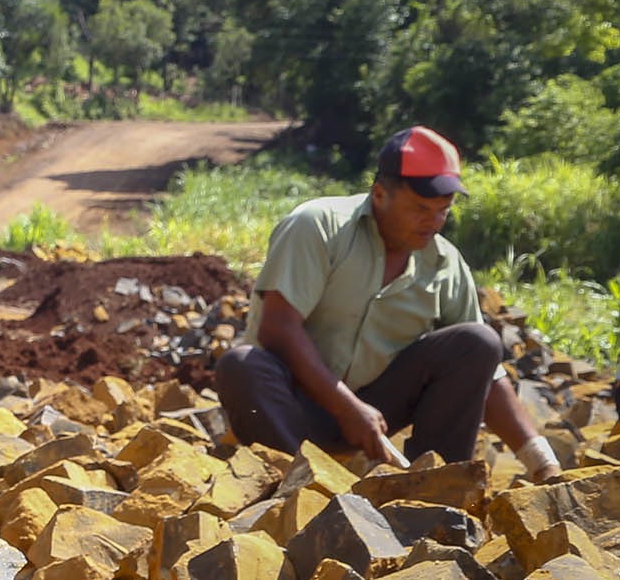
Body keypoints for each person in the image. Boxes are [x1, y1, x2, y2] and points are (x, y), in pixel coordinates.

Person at [212, 125, 562, 478]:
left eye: (443, 210)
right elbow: (278, 328)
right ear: (380, 194)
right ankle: (299, 483)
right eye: (421, 208)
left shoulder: (445, 264)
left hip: (374, 414)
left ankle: (436, 488)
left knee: (478, 341)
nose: (434, 222)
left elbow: (488, 374)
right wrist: (348, 408)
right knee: (242, 365)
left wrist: (543, 463)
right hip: (292, 410)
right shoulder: (318, 227)